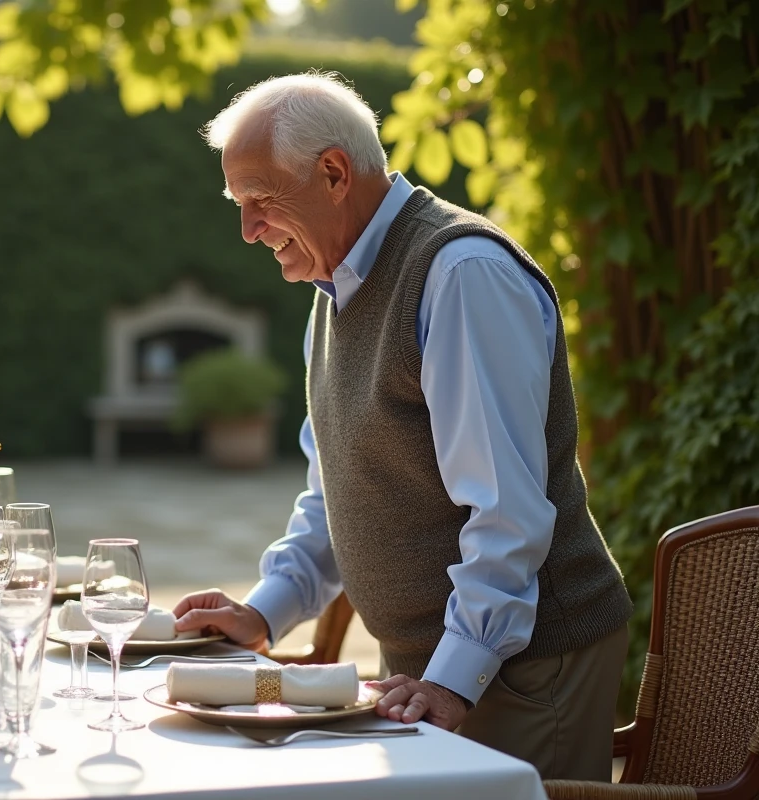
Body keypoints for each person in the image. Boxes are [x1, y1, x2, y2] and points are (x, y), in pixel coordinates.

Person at [172, 72, 633, 781]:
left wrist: (454, 675)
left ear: (333, 172)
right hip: (438, 665)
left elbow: (506, 511)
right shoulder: (334, 291)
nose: (248, 230)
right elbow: (336, 497)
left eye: (261, 201)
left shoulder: (461, 274)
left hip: (526, 666)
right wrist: (261, 615)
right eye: (239, 205)